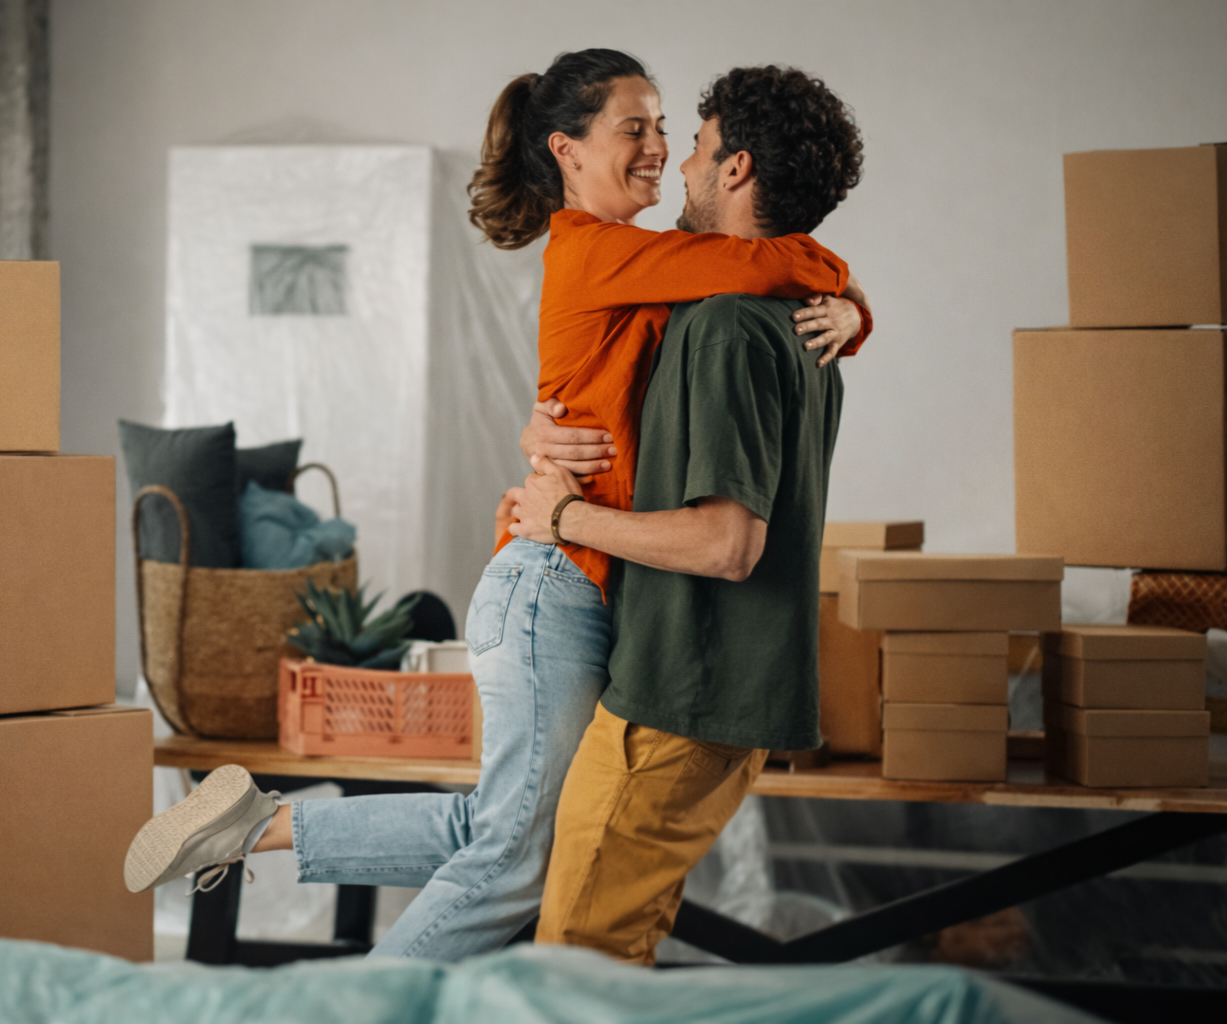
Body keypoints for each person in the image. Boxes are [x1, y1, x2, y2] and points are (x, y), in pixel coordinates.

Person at [122, 50, 867, 962]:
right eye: (636, 128)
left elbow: (745, 286)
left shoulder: (662, 272)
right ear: (566, 148)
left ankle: (256, 827)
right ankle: (349, 1001)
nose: (663, 151)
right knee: (514, 859)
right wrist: (846, 289)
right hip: (552, 584)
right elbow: (762, 268)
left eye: (669, 130)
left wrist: (852, 305)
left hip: (586, 582)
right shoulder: (596, 249)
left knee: (509, 833)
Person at [512, 64, 864, 965]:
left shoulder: (729, 328)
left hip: (677, 697)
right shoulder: (799, 325)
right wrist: (855, 306)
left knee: (571, 970)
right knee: (610, 952)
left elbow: (726, 543)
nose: (676, 162)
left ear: (736, 169)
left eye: (695, 144)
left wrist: (560, 518)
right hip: (714, 698)